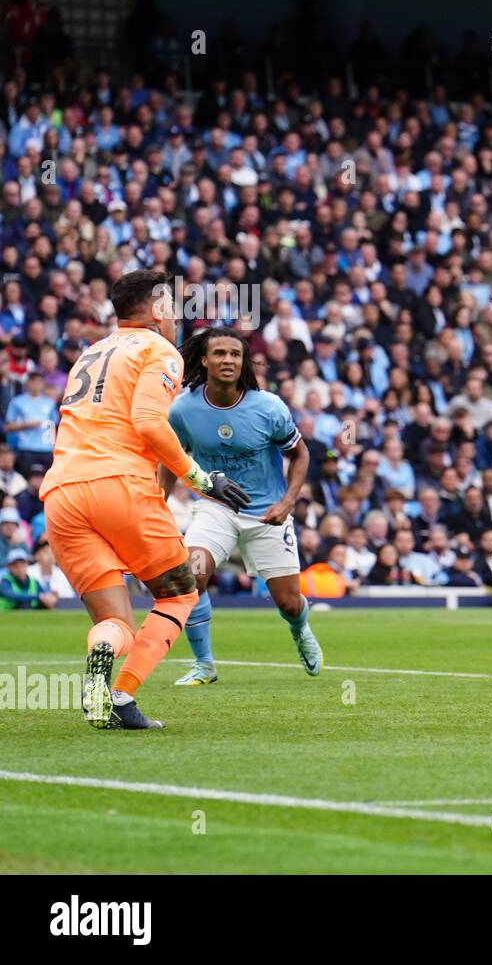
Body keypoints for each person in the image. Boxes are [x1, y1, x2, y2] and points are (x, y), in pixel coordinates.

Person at [38, 271, 249, 730]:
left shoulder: (91, 352)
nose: (175, 314)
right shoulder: (158, 349)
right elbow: (150, 422)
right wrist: (202, 480)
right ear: (157, 310)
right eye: (171, 305)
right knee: (179, 594)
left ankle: (102, 654)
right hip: (119, 483)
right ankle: (120, 696)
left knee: (115, 623)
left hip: (61, 492)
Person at [161, 328, 321, 685]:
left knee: (288, 603)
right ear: (205, 360)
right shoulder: (183, 409)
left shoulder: (268, 407)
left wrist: (287, 502)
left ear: (244, 362)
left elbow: (300, 454)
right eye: (220, 353)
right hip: (215, 509)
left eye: (235, 354)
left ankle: (300, 629)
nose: (228, 360)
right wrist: (158, 503)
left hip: (267, 513)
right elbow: (172, 458)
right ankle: (204, 665)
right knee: (191, 575)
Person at [0, 545, 57, 610]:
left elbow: (43, 595)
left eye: (22, 564)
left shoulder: (33, 581)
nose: (19, 568)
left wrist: (49, 598)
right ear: (9, 567)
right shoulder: (6, 581)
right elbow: (11, 595)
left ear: (27, 565)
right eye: (15, 565)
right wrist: (37, 596)